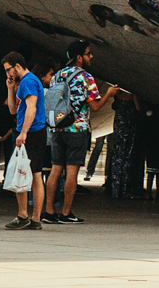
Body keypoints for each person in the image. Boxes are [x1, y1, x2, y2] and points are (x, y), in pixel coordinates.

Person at [42, 41, 120, 225]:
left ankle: (49, 211)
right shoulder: (86, 77)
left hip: (57, 127)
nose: (91, 56)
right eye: (88, 53)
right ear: (79, 57)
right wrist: (109, 93)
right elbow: (95, 106)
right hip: (77, 129)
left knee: (55, 170)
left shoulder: (58, 75)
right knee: (72, 171)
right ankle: (66, 213)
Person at [2, 51, 50, 230]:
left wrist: (23, 133)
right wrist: (10, 87)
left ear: (17, 66)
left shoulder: (29, 81)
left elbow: (31, 107)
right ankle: (35, 217)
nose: (8, 74)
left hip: (31, 132)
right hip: (33, 130)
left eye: (9, 70)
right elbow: (13, 111)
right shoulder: (24, 83)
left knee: (22, 171)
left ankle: (24, 215)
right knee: (34, 173)